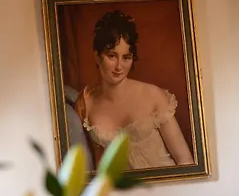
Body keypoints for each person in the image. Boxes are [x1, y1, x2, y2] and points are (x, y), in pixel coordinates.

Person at [74, 10, 193, 171]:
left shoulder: (153, 96)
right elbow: (97, 166)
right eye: (112, 56)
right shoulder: (87, 102)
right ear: (97, 56)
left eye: (126, 58)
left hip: (166, 184)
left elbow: (185, 160)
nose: (119, 66)